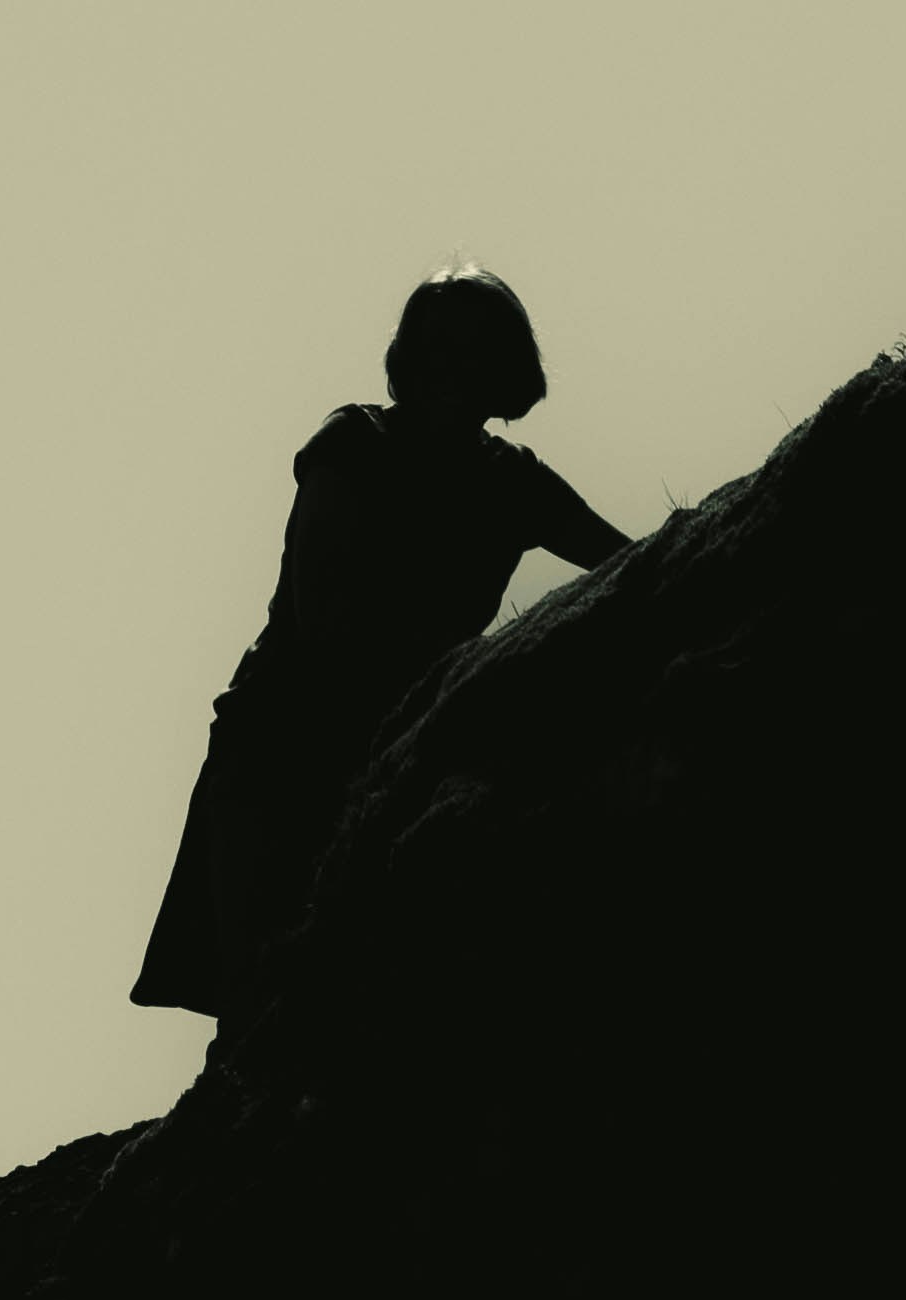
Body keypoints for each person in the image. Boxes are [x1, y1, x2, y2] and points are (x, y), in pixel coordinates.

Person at [133, 268, 630, 1021]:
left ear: (504, 369)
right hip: (282, 747)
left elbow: (627, 558)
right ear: (406, 360)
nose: (452, 370)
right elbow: (324, 624)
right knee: (261, 1004)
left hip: (401, 750)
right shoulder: (353, 447)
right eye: (436, 349)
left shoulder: (512, 481)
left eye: (473, 351)